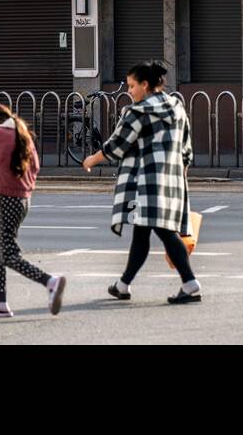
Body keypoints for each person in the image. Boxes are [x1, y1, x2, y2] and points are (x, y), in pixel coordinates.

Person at [82, 60, 201, 304]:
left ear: (145, 85)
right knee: (142, 232)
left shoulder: (138, 112)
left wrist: (92, 159)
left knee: (165, 232)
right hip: (173, 179)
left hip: (148, 182)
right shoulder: (177, 107)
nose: (129, 91)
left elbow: (117, 145)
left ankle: (190, 283)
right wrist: (180, 175)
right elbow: (186, 147)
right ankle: (123, 285)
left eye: (132, 86)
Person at [0, 101, 66, 318]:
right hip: (23, 200)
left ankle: (50, 281)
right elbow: (36, 166)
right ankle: (0, 304)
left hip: (8, 200)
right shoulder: (22, 133)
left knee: (8, 254)